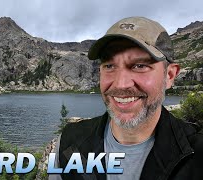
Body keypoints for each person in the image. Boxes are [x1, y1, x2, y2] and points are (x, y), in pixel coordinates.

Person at [49, 17, 203, 180]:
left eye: (140, 66)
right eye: (109, 66)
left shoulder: (197, 156)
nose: (121, 84)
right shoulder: (69, 142)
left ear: (170, 76)